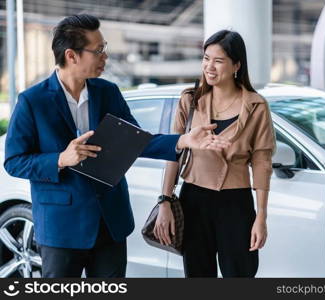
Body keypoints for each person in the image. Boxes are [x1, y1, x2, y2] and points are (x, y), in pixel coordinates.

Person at [3, 14, 229, 278]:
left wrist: (183, 140)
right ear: (71, 56)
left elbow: (136, 141)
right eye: (98, 50)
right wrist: (61, 159)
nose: (105, 57)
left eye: (104, 48)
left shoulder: (107, 92)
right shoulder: (32, 101)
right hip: (61, 227)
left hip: (110, 222)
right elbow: (14, 161)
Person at [154, 30, 276, 277]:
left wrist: (261, 216)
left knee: (240, 274)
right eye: (206, 58)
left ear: (236, 65)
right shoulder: (190, 100)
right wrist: (165, 200)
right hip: (194, 200)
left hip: (236, 202)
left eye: (218, 61)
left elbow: (262, 162)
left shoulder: (256, 105)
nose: (209, 67)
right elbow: (174, 152)